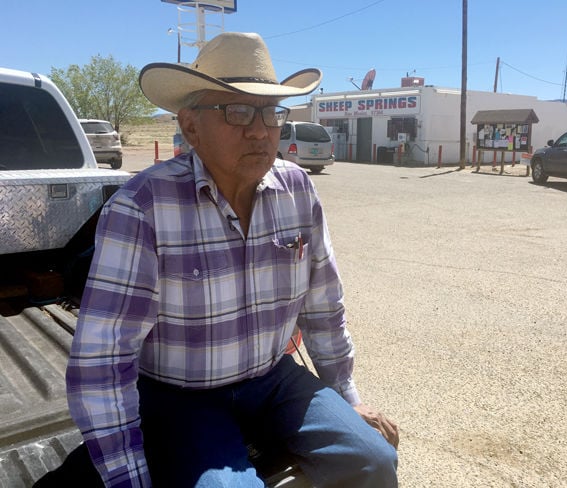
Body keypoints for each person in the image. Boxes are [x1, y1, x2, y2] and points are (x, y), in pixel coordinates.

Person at [65, 32, 399, 488]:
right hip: (182, 397)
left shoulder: (297, 190)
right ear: (191, 126)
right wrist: (128, 478)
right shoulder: (143, 207)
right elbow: (103, 360)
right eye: (237, 111)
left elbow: (324, 309)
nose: (260, 130)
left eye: (270, 113)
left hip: (274, 380)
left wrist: (347, 399)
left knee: (372, 459)